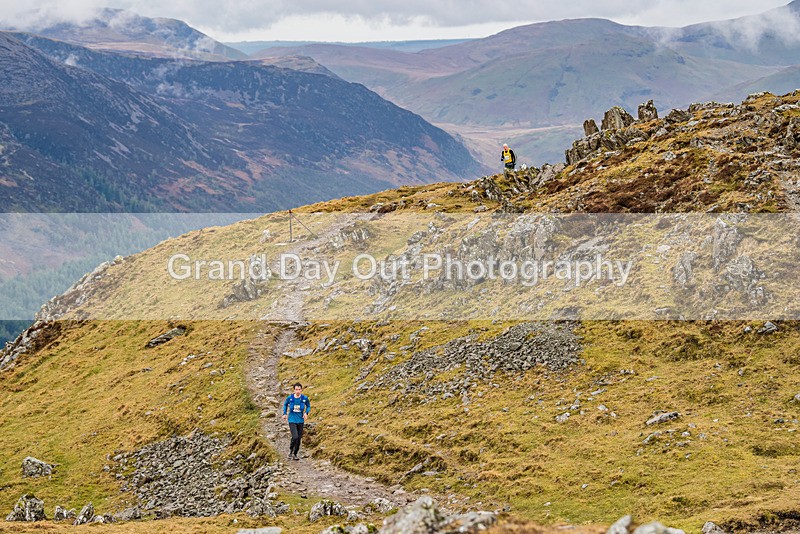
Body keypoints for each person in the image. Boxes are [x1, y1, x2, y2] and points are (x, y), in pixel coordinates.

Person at [282, 382, 310, 460]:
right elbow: (285, 405)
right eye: (296, 389)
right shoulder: (290, 398)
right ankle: (291, 450)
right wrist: (284, 413)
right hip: (292, 419)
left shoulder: (304, 398)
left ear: (301, 390)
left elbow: (308, 406)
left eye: (299, 389)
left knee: (299, 438)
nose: (298, 391)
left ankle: (295, 453)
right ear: (294, 390)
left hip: (300, 420)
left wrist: (306, 413)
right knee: (295, 436)